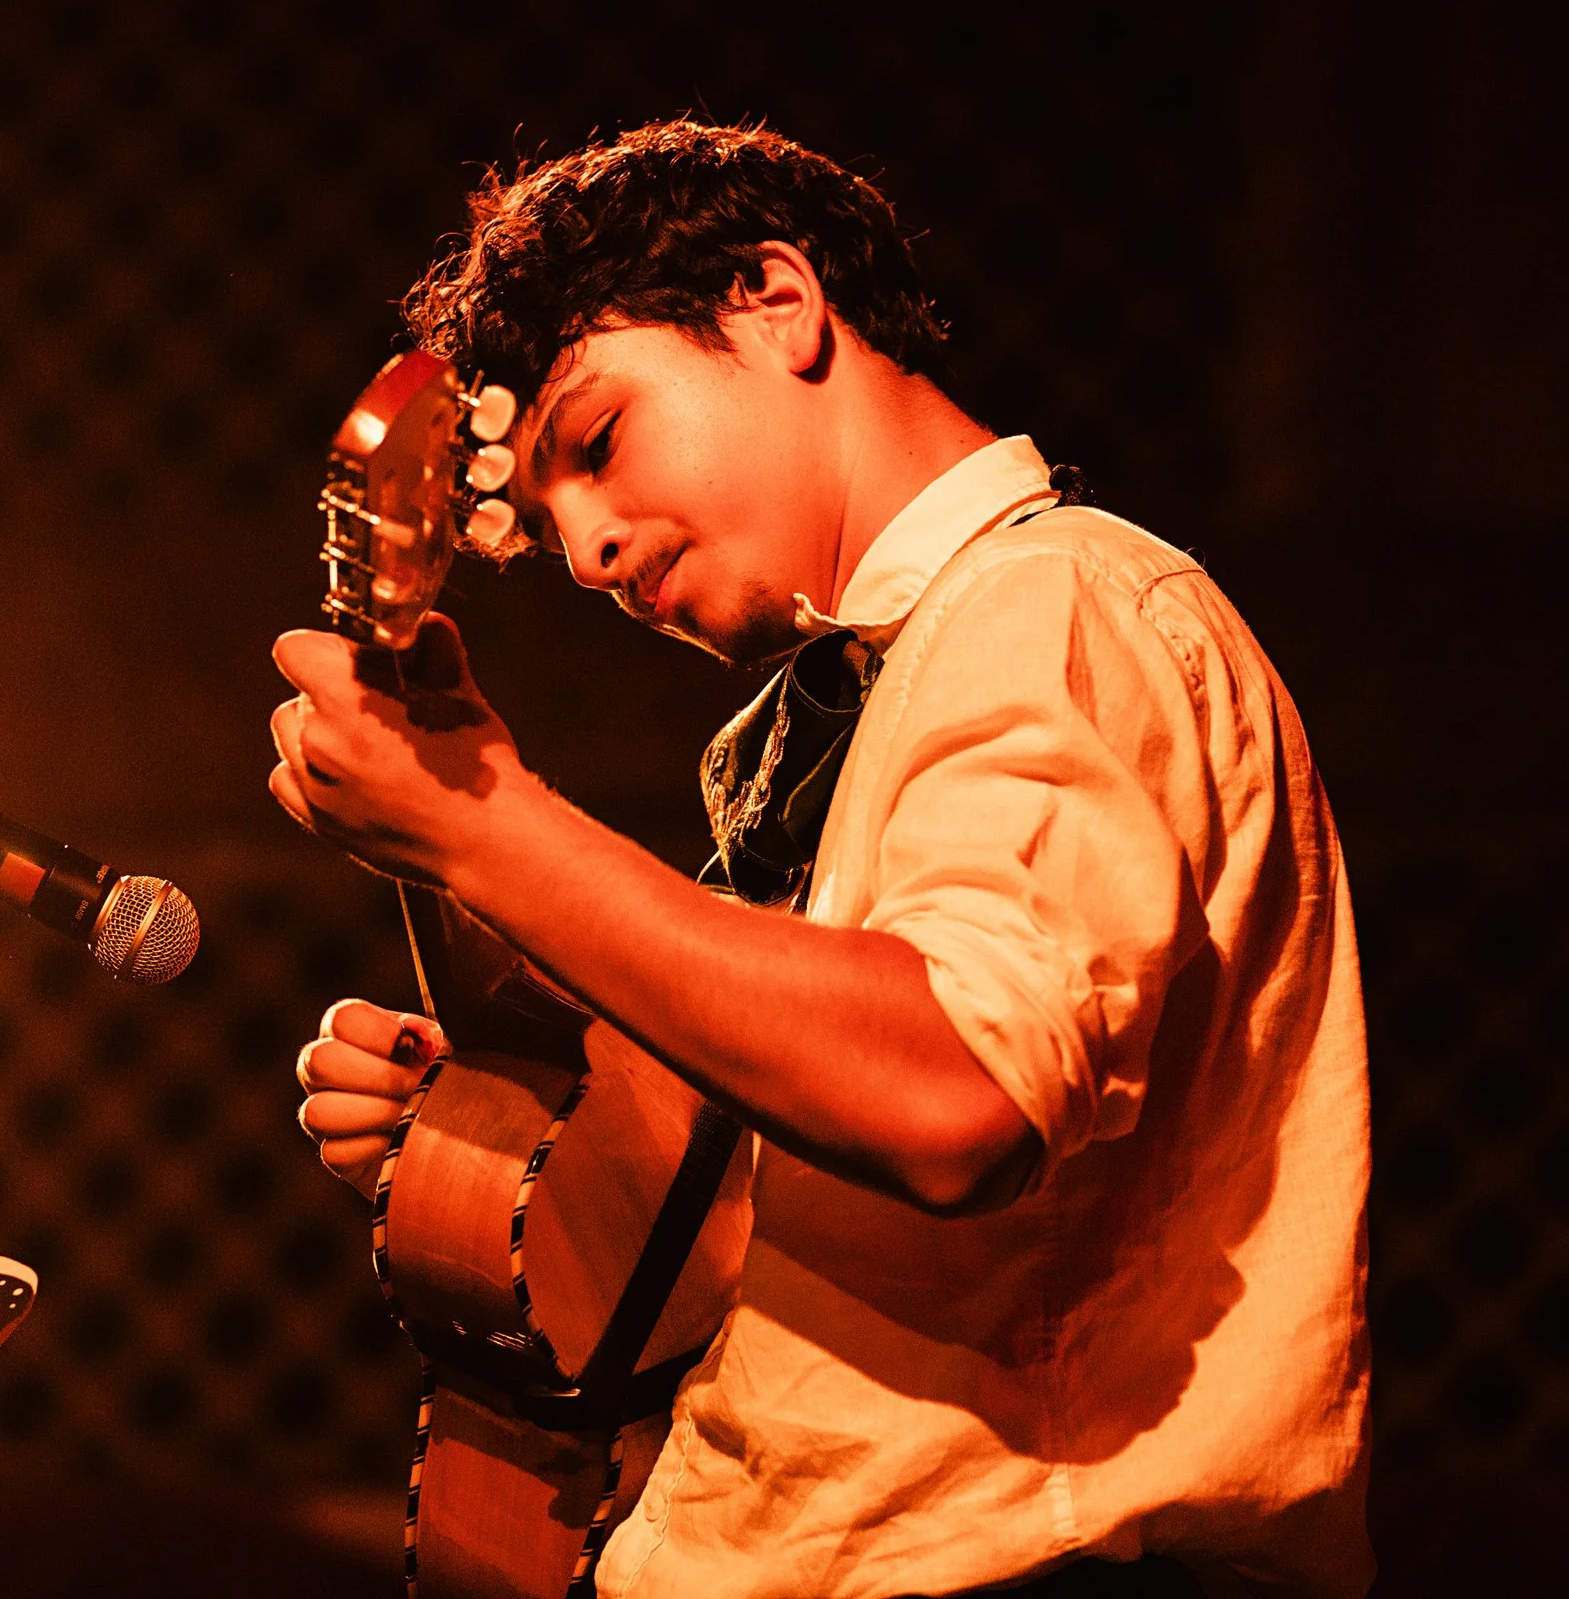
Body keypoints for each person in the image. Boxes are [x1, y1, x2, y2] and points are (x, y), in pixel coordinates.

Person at [267, 120, 1371, 1599]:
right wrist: (502, 1129)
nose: (587, 550)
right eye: (545, 522)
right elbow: (772, 1239)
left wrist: (487, 826)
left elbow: (954, 1091)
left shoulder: (1059, 602)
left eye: (597, 445)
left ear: (775, 300)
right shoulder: (818, 720)